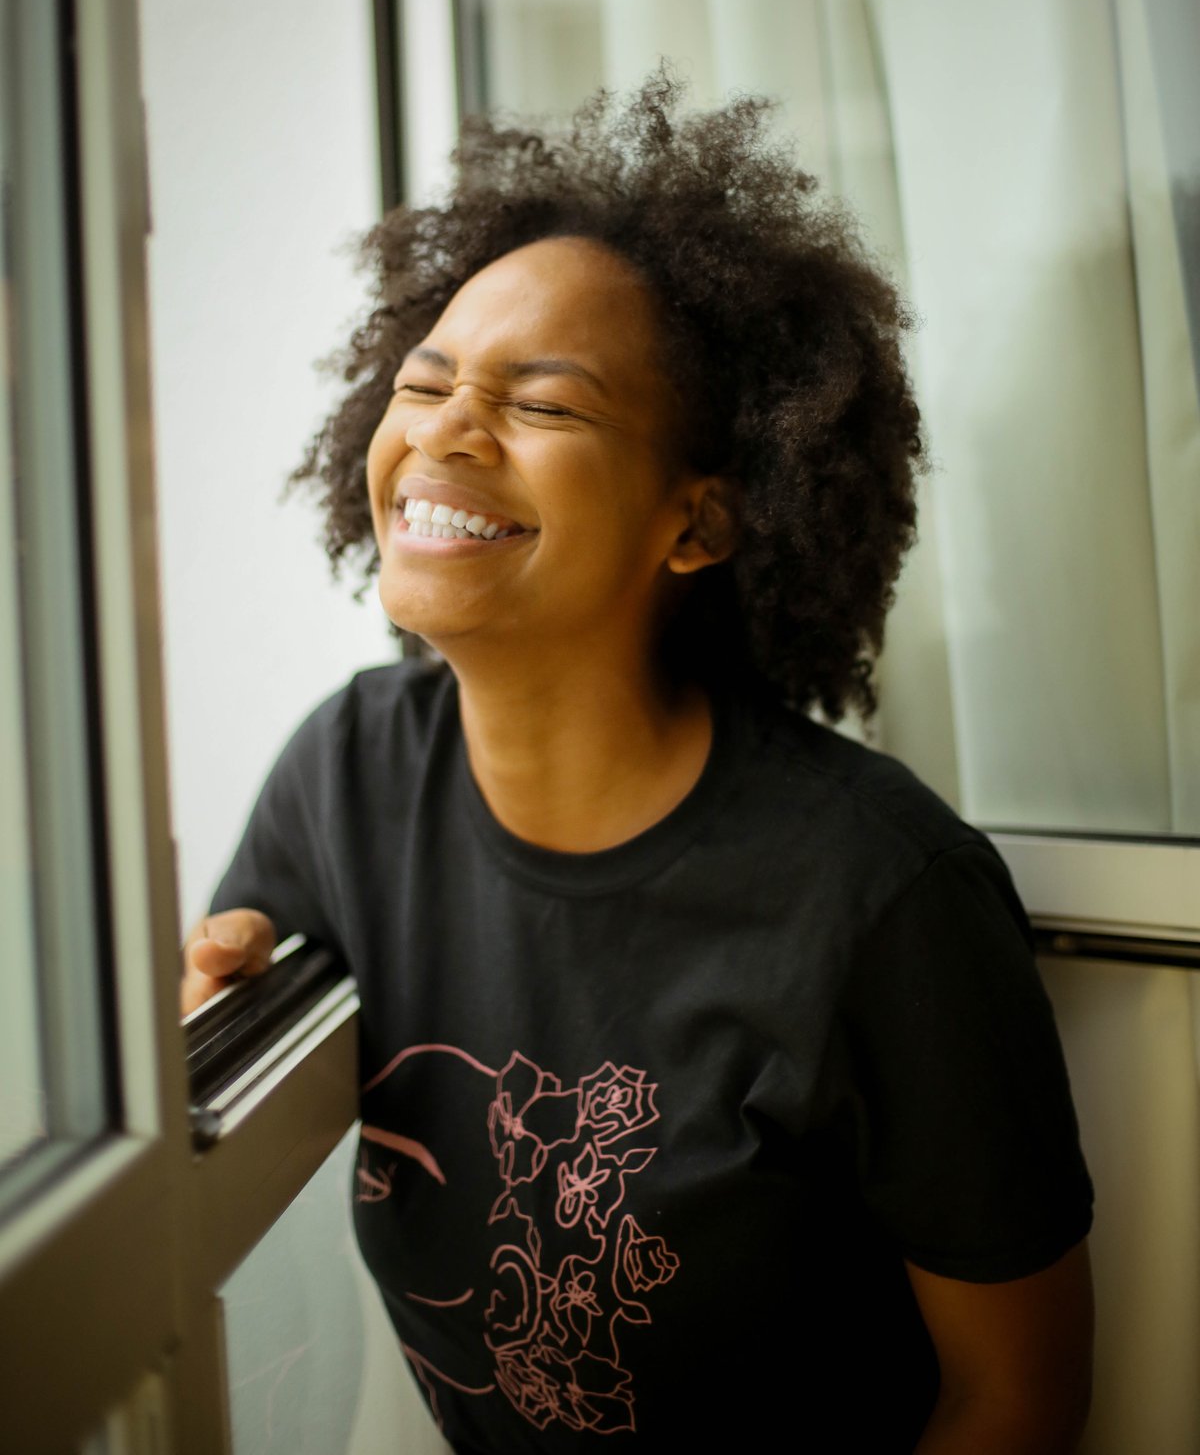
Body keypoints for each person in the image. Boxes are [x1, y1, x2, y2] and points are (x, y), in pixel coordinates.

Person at [181, 71, 1095, 1452]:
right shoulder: (347, 776)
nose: (443, 432)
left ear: (701, 524)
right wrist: (190, 1018)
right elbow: (209, 1106)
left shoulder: (880, 898)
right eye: (424, 384)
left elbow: (1015, 1399)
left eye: (541, 408)